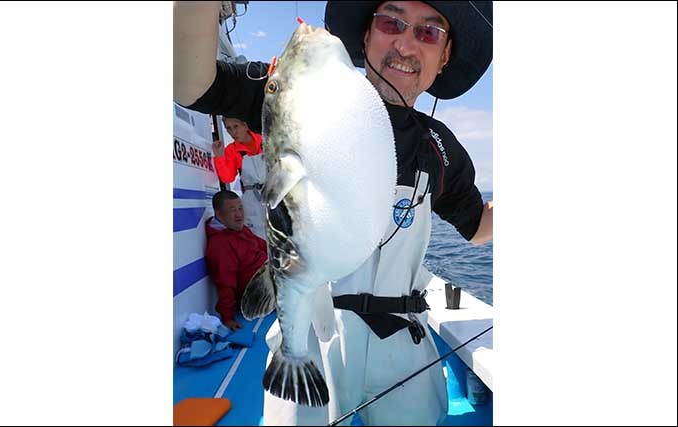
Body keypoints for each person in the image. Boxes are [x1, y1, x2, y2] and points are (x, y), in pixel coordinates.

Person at [175, 1, 493, 424]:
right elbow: (190, 82)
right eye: (390, 22)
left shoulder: (440, 149)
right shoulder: (292, 92)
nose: (405, 43)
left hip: (403, 340)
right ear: (365, 35)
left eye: (428, 32)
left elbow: (476, 227)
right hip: (311, 324)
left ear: (445, 55)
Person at [205, 190, 267, 332]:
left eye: (240, 208)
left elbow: (263, 245)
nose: (239, 215)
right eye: (232, 210)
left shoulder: (239, 230)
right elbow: (225, 283)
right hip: (256, 294)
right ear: (218, 214)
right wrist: (227, 318)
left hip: (268, 276)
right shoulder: (221, 245)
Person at [211, 116, 267, 240]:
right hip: (252, 199)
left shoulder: (264, 139)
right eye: (228, 129)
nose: (233, 132)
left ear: (245, 125)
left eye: (236, 126)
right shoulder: (231, 150)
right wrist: (220, 157)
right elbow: (227, 178)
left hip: (274, 190)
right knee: (258, 236)